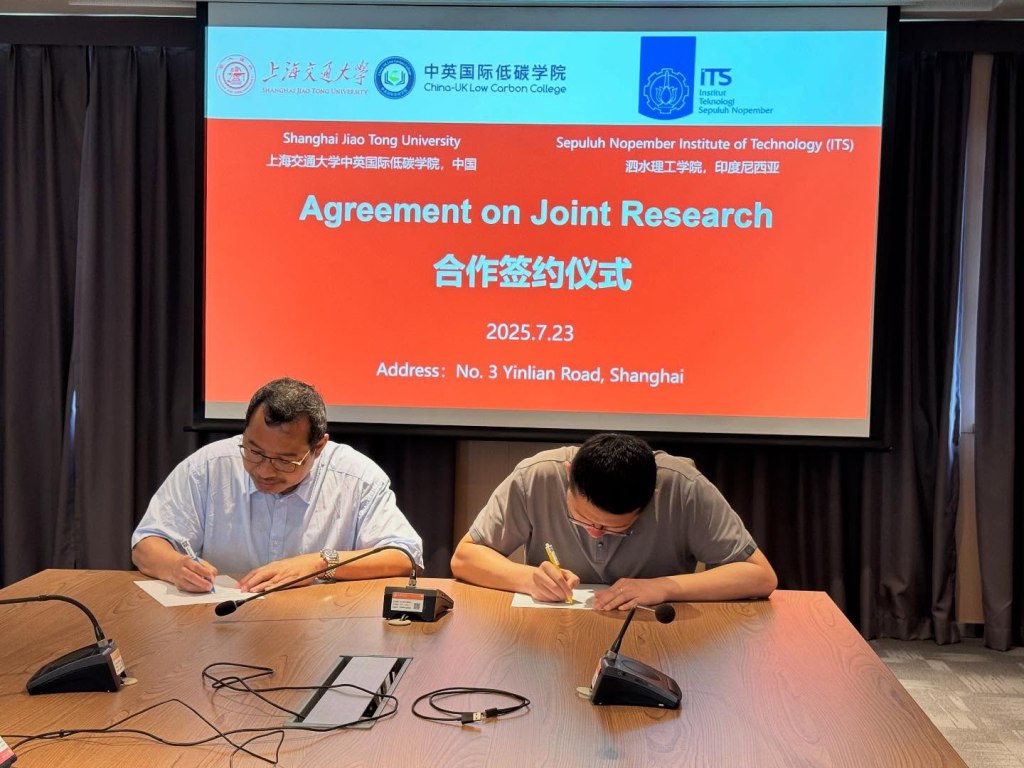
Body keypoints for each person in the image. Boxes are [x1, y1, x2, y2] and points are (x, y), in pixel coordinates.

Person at [132, 378, 423, 593]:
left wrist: (321, 564)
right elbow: (147, 544)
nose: (265, 470)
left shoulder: (356, 477)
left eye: (285, 460)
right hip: (223, 626)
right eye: (254, 451)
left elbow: (405, 556)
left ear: (318, 448)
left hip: (320, 628)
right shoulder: (208, 467)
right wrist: (175, 567)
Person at [450, 432, 776, 610]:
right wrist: (527, 579)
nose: (596, 533)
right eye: (583, 519)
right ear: (569, 476)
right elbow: (465, 557)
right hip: (550, 638)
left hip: (655, 638)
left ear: (653, 496)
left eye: (614, 528)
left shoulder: (682, 487)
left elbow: (759, 576)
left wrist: (664, 587)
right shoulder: (537, 476)